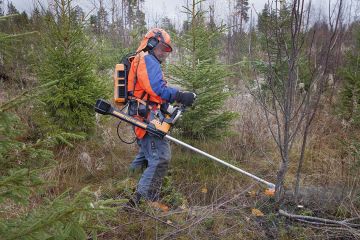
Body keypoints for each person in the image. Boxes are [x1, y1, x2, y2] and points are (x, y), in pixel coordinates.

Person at [127, 28, 196, 204]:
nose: (164, 53)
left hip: (144, 113)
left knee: (145, 153)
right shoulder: (147, 60)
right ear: (151, 43)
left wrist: (167, 108)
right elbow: (158, 88)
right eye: (161, 48)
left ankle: (125, 184)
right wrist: (181, 95)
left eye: (166, 50)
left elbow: (152, 94)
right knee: (160, 158)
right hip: (145, 116)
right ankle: (142, 202)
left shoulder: (145, 60)